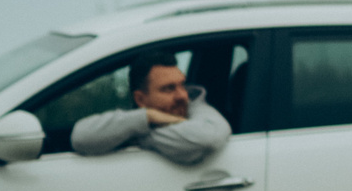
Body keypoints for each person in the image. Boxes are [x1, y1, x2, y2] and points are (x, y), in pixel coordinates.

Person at [70, 57, 231, 167]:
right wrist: (147, 117)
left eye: (182, 84)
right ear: (140, 99)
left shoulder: (197, 107)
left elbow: (206, 138)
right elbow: (80, 137)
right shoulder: (135, 119)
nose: (182, 95)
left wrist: (138, 137)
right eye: (169, 89)